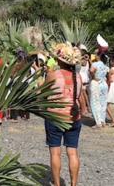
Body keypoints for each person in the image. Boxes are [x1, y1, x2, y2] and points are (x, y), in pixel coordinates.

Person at [44, 47, 82, 186]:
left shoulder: (53, 74)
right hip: (74, 117)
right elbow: (79, 95)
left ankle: (57, 184)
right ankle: (73, 184)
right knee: (73, 153)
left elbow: (43, 92)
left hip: (55, 117)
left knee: (55, 153)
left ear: (59, 60)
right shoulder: (78, 76)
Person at [89, 50, 108, 128]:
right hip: (103, 83)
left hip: (96, 84)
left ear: (98, 56)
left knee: (95, 102)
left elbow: (91, 70)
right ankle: (103, 121)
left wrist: (93, 76)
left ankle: (98, 122)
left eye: (95, 54)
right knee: (103, 103)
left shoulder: (95, 64)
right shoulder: (104, 64)